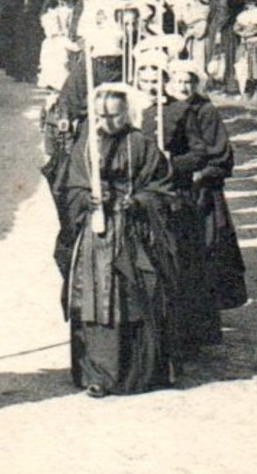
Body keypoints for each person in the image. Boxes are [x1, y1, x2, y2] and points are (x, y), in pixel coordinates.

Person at [56, 84, 180, 397]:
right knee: (94, 299)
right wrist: (87, 200)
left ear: (126, 113)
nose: (107, 122)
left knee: (134, 298)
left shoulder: (141, 143)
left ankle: (135, 372)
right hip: (95, 238)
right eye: (100, 115)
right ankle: (98, 374)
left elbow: (162, 188)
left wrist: (137, 202)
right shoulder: (86, 144)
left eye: (113, 115)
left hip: (132, 233)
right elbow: (71, 187)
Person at [167, 59, 248, 322]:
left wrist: (200, 175)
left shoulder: (205, 111)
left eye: (187, 81)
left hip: (201, 190)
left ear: (195, 84)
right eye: (177, 81)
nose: (182, 86)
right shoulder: (164, 108)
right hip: (173, 188)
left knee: (207, 250)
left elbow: (221, 156)